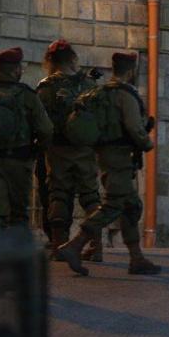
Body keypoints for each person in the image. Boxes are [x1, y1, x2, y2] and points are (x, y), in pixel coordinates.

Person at [56, 52, 161, 276]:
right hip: (120, 157)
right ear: (131, 71)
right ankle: (75, 245)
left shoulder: (101, 92)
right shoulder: (125, 95)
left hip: (104, 154)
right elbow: (134, 127)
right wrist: (147, 143)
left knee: (131, 206)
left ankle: (136, 258)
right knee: (113, 205)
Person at [36, 39, 102, 261]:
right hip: (85, 150)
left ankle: (59, 246)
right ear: (73, 58)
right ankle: (97, 246)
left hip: (58, 150)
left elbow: (41, 121)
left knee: (59, 195)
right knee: (91, 196)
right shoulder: (90, 85)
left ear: (50, 61)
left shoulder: (47, 87)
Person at [0, 47, 53, 231]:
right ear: (16, 70)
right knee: (18, 215)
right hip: (19, 161)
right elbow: (46, 129)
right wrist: (36, 150)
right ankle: (17, 248)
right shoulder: (27, 95)